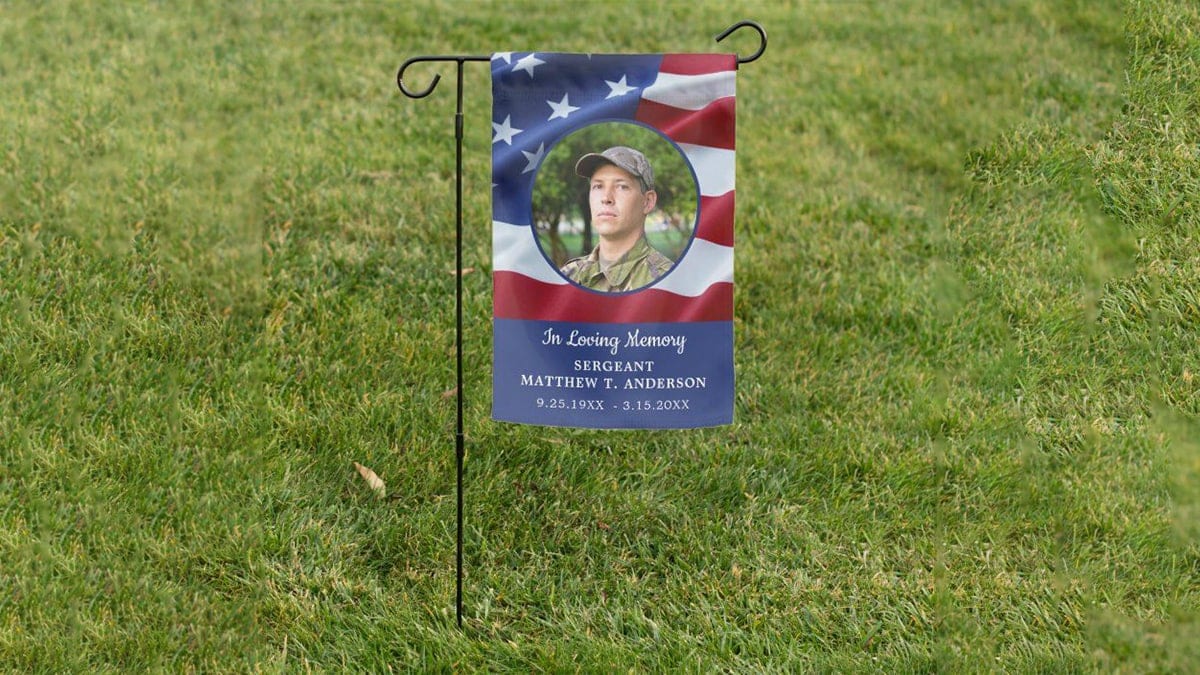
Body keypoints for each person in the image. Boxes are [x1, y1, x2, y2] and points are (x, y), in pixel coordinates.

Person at [559, 146, 674, 292]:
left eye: (622, 187)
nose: (606, 198)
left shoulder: (667, 282)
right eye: (598, 186)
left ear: (648, 201)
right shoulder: (569, 274)